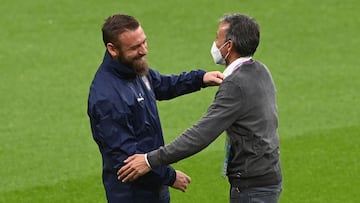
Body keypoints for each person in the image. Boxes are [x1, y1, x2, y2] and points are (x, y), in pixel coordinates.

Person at [117, 13, 283, 203]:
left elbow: (200, 134)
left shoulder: (235, 84)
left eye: (217, 38)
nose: (215, 43)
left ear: (228, 46)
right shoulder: (260, 70)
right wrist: (199, 78)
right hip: (266, 177)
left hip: (253, 187)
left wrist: (150, 160)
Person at [87, 14, 224, 203]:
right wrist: (170, 176)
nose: (144, 51)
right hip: (132, 195)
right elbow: (126, 159)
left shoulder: (132, 68)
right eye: (135, 47)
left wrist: (199, 79)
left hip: (153, 186)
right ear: (112, 49)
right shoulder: (107, 98)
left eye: (144, 42)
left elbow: (161, 85)